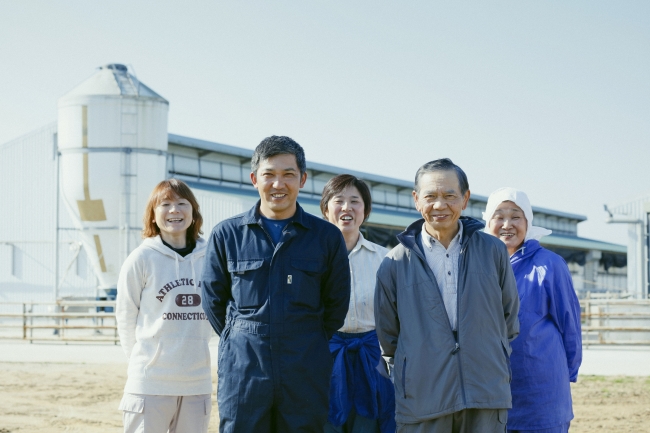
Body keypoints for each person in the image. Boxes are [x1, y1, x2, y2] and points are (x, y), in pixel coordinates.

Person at [201, 135, 351, 433]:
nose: (278, 184)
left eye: (288, 175)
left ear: (303, 179)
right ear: (255, 178)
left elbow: (336, 304)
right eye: (269, 175)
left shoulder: (326, 237)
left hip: (304, 364)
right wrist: (244, 335)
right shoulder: (227, 235)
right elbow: (213, 300)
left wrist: (304, 338)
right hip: (244, 367)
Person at [374, 158, 520, 433]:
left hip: (484, 391)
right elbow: (389, 337)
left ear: (465, 199)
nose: (439, 205)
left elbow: (509, 318)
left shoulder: (493, 251)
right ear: (417, 200)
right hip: (423, 396)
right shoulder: (394, 263)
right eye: (430, 196)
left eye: (450, 196)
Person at [116, 179, 212, 433]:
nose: (174, 211)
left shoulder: (211, 257)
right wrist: (145, 363)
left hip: (196, 383)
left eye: (182, 203)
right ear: (153, 214)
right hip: (150, 385)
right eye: (165, 204)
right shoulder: (141, 258)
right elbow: (125, 316)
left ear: (193, 212)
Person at [483, 187, 582, 433]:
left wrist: (565, 373)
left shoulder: (550, 265)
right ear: (488, 222)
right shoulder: (477, 265)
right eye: (499, 216)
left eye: (516, 216)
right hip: (490, 389)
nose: (507, 224)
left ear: (528, 221)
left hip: (541, 388)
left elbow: (570, 325)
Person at [320, 174, 396, 433]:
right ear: (326, 209)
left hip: (372, 357)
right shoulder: (311, 257)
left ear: (365, 210)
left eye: (355, 201)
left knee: (369, 424)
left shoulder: (386, 259)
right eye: (338, 201)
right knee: (328, 424)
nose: (346, 208)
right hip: (326, 357)